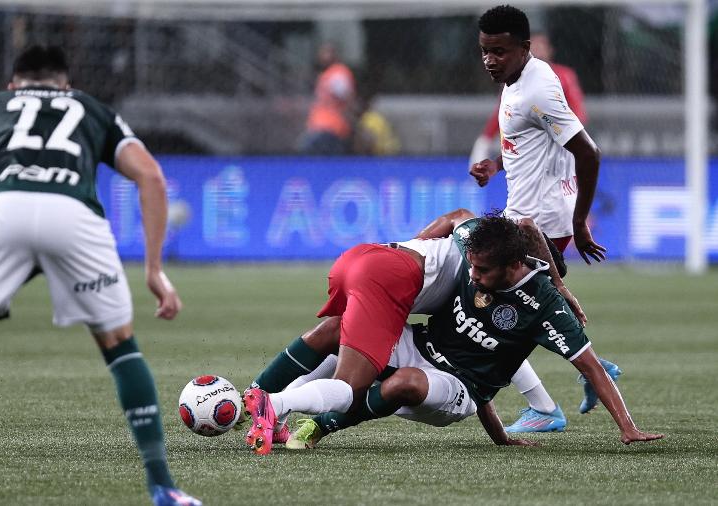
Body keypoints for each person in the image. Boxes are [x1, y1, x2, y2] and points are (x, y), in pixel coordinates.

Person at [0, 46, 200, 506]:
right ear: (65, 85)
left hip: (2, 211)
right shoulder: (92, 109)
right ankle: (162, 488)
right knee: (120, 348)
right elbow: (150, 177)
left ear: (12, 85)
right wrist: (154, 270)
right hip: (73, 215)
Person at [280, 215, 663, 450]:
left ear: (514, 266)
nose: (473, 276)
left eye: (482, 272)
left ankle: (319, 426)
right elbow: (479, 220)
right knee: (337, 327)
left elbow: (592, 368)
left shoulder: (545, 308)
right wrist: (413, 248)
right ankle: (261, 399)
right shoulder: (485, 248)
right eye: (472, 268)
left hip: (455, 390)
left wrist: (629, 428)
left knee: (404, 383)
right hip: (420, 345)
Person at [241, 208, 583, 454]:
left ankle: (253, 399)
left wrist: (419, 244)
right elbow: (490, 355)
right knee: (348, 387)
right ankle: (273, 405)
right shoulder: (484, 279)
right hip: (390, 279)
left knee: (336, 332)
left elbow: (457, 216)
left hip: (365, 256)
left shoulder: (476, 243)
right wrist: (557, 284)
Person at [468, 5, 617, 431]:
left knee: (488, 314)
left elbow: (588, 152)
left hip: (541, 224)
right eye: (485, 51)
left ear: (524, 49)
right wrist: (496, 164)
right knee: (510, 312)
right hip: (522, 213)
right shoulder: (516, 79)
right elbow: (529, 141)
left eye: (499, 52)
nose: (490, 60)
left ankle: (547, 409)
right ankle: (593, 370)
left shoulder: (539, 90)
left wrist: (580, 222)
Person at [470, 32, 587, 165]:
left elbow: (577, 110)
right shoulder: (514, 79)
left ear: (550, 50)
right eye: (533, 47)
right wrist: (485, 140)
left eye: (541, 46)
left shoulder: (564, 76)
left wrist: (567, 136)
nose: (537, 51)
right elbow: (503, 112)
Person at [298, 42, 357, 155]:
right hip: (319, 126)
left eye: (327, 52)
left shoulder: (338, 73)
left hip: (330, 128)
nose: (323, 56)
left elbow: (347, 96)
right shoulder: (326, 74)